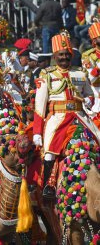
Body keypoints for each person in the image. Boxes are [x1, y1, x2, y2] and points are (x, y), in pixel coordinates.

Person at [33, 31, 100, 199]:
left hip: (79, 117)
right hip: (57, 119)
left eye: (67, 54)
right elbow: (39, 106)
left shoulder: (80, 73)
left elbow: (90, 93)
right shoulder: (46, 75)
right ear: (55, 56)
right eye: (61, 55)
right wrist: (36, 132)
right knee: (50, 152)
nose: (64, 58)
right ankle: (48, 186)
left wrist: (89, 100)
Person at [82, 21, 100, 120]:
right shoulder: (88, 56)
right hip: (97, 101)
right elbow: (90, 79)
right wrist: (98, 68)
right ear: (94, 41)